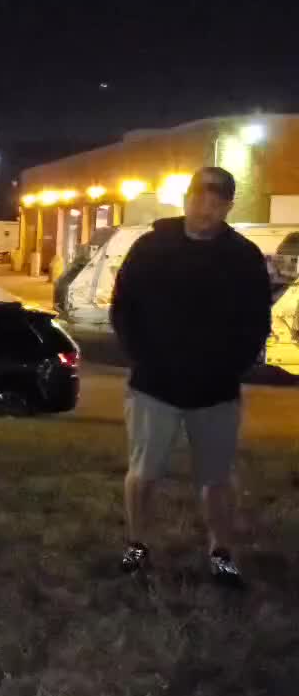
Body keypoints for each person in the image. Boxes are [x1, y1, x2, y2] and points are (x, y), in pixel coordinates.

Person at [110, 166, 273, 586]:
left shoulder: (244, 256)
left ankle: (221, 553)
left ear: (228, 207)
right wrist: (142, 357)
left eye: (217, 202)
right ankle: (137, 544)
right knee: (143, 473)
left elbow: (257, 321)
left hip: (216, 391)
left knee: (217, 479)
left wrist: (231, 366)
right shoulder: (150, 247)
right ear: (185, 198)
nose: (206, 208)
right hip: (154, 387)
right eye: (199, 198)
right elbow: (123, 307)